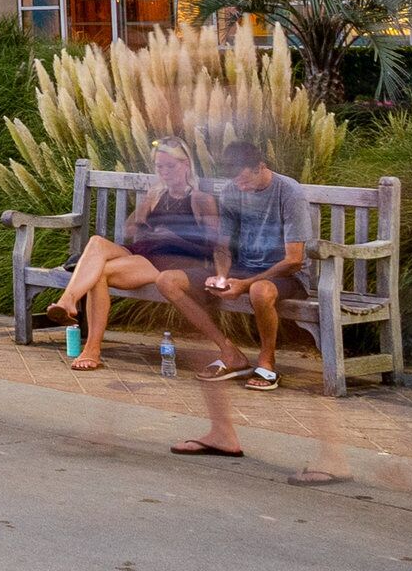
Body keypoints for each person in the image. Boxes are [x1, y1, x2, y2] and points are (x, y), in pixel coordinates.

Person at [34, 136, 229, 373]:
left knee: (99, 273)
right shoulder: (156, 195)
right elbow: (129, 230)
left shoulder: (200, 200)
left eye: (170, 166)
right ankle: (68, 302)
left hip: (169, 263)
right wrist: (147, 223)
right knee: (96, 242)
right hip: (142, 253)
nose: (164, 172)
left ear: (186, 164)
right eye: (159, 167)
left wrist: (175, 239)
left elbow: (215, 244)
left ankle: (91, 349)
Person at [204, 139, 312, 390]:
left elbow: (294, 260)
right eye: (236, 182)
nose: (241, 188)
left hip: (286, 275)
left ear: (260, 166)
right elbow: (222, 246)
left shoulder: (289, 192)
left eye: (245, 180)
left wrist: (244, 284)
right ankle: (231, 356)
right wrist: (221, 277)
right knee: (204, 284)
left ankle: (267, 363)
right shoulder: (232, 191)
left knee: (259, 290)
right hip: (247, 268)